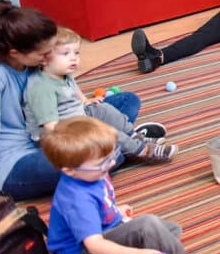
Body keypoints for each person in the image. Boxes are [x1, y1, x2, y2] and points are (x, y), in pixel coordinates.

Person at [43, 116, 220, 254]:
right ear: (68, 170)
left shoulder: (90, 175)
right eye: (101, 163)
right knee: (147, 227)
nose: (110, 164)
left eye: (111, 156)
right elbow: (95, 244)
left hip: (104, 232)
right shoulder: (77, 199)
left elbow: (98, 204)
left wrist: (114, 210)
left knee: (170, 230)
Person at [0, 0, 142, 199]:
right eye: (43, 53)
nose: (48, 56)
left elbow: (62, 89)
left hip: (58, 127)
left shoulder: (32, 62)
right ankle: (121, 146)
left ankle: (116, 145)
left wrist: (82, 102)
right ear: (15, 53)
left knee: (127, 101)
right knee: (105, 151)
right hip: (16, 159)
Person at [24, 27, 175, 163]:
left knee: (104, 109)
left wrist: (85, 101)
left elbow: (74, 88)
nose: (73, 58)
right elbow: (51, 127)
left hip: (78, 117)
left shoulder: (62, 71)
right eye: (65, 53)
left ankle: (134, 136)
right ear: (44, 59)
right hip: (62, 135)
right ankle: (143, 151)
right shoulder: (41, 87)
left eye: (76, 53)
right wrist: (89, 130)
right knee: (107, 131)